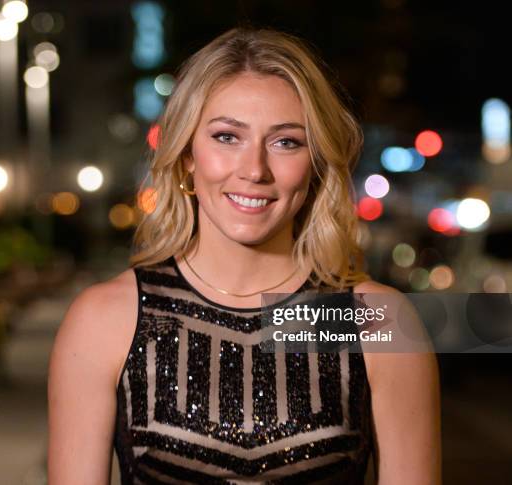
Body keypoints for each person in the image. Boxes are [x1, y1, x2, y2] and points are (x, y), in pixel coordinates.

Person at [47, 27, 441, 484]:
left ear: (315, 164)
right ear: (187, 154)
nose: (254, 170)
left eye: (286, 142)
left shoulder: (374, 321)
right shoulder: (106, 319)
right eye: (227, 137)